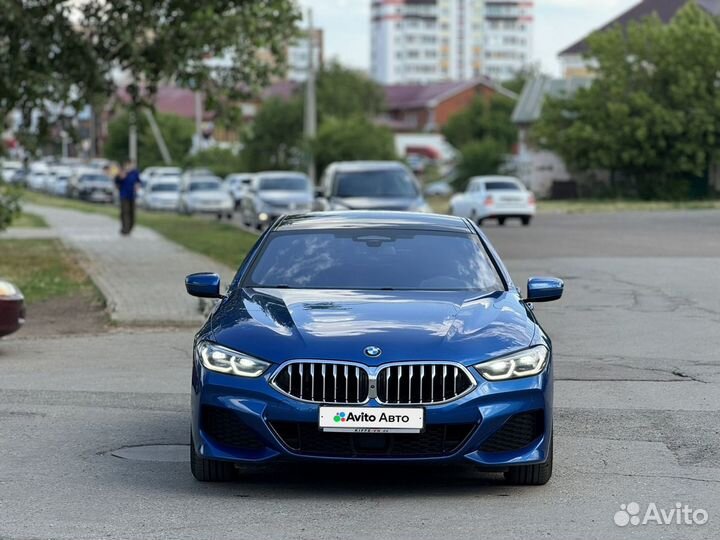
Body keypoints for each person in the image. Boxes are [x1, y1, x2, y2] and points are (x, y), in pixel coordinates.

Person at [115, 162, 141, 235]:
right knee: (125, 212)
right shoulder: (122, 172)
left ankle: (130, 227)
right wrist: (120, 177)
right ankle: (125, 228)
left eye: (130, 165)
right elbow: (116, 182)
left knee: (132, 212)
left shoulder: (135, 173)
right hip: (124, 195)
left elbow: (138, 181)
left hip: (132, 195)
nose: (129, 166)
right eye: (127, 165)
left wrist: (137, 186)